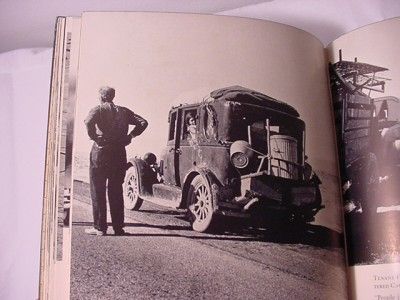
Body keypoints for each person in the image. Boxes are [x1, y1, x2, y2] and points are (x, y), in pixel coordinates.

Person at [84, 86, 148, 236]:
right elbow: (143, 122)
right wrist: (130, 136)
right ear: (112, 96)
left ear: (101, 97)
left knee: (98, 189)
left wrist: (95, 137)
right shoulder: (124, 111)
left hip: (100, 153)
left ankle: (100, 228)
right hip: (119, 153)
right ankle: (118, 228)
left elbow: (88, 122)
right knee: (116, 190)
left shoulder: (98, 109)